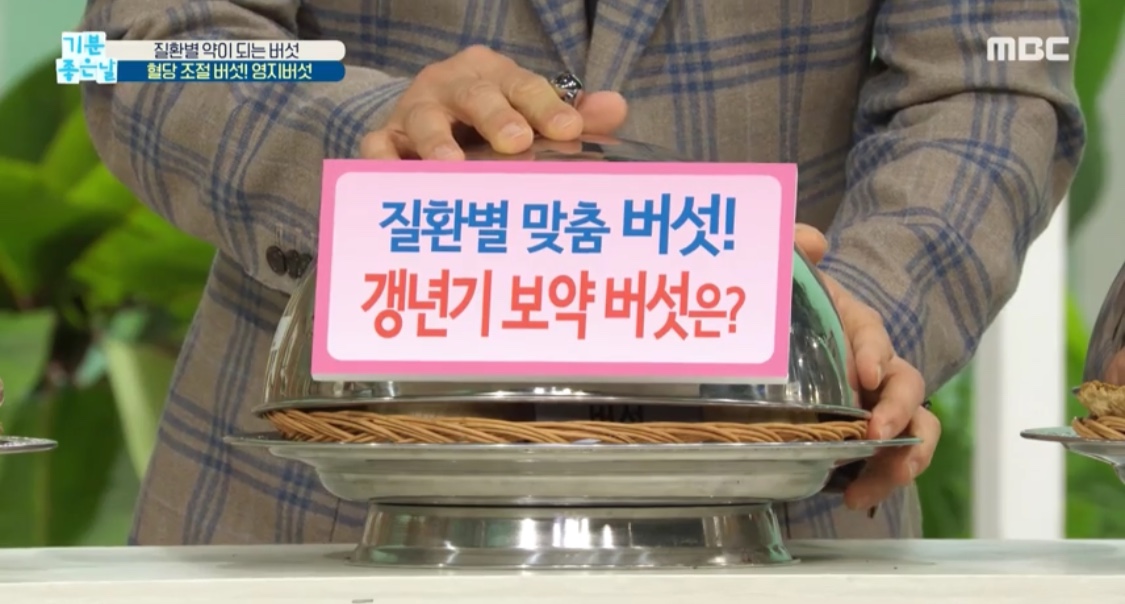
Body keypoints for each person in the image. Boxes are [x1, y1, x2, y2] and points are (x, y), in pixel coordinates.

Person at [80, 0, 1083, 545]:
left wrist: (855, 312)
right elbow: (136, 54)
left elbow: (989, 86)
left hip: (777, 513)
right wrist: (378, 135)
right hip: (305, 518)